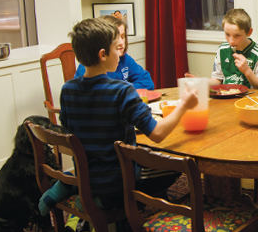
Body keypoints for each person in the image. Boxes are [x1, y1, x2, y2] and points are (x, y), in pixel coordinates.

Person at [59, 18, 199, 210]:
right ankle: (114, 204)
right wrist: (184, 105)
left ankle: (70, 185)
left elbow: (69, 131)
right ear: (103, 54)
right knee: (178, 167)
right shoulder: (121, 91)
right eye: (117, 48)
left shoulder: (67, 89)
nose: (120, 52)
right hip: (119, 182)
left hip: (85, 176)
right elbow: (157, 134)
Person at [187, 8, 258, 89]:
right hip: (226, 96)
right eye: (227, 34)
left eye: (237, 35)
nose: (231, 41)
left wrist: (247, 71)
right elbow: (218, 79)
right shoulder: (222, 49)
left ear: (249, 32)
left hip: (249, 99)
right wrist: (201, 82)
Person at [74, 14, 155, 90]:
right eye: (115, 38)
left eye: (122, 37)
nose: (120, 42)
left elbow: (147, 82)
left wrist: (124, 90)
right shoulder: (90, 66)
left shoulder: (125, 59)